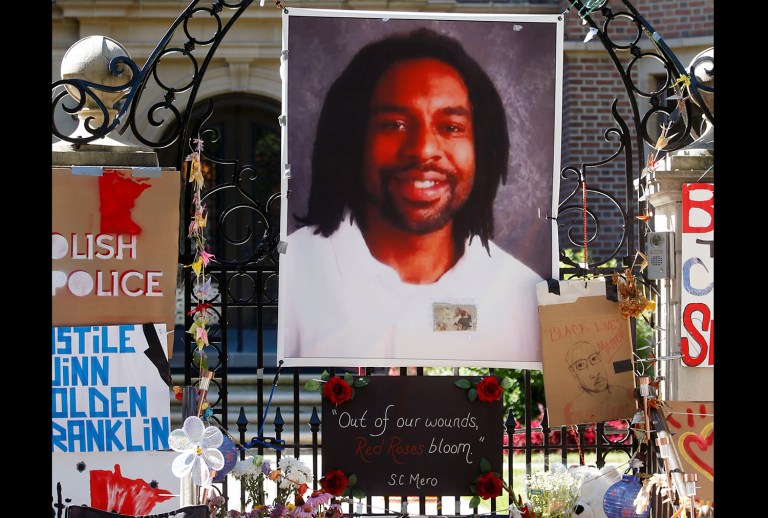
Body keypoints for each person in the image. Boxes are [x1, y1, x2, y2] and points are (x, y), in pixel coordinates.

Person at [279, 27, 546, 367]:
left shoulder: (518, 292)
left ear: (481, 147)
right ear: (354, 139)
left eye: (451, 127)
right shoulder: (295, 271)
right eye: (394, 124)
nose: (423, 150)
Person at [562, 341, 637, 424]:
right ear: (573, 373)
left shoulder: (622, 392)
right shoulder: (575, 408)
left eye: (594, 358)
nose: (594, 373)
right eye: (581, 365)